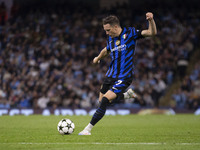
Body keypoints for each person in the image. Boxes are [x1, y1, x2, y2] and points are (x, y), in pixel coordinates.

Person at [79, 12, 157, 135]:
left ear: (116, 27)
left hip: (124, 76)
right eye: (105, 30)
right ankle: (126, 96)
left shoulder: (130, 33)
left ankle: (87, 129)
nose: (107, 33)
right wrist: (98, 57)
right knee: (101, 102)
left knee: (105, 100)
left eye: (108, 30)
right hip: (110, 75)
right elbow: (106, 50)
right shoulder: (111, 37)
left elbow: (151, 33)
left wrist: (151, 20)